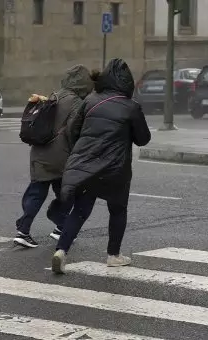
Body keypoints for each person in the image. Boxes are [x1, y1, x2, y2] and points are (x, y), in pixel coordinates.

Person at [52, 58, 151, 274]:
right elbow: (143, 139)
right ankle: (113, 255)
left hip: (87, 165)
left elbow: (72, 130)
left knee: (79, 210)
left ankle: (61, 250)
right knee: (117, 209)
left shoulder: (90, 100)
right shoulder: (131, 107)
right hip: (116, 169)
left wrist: (81, 151)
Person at [14, 65, 96, 248]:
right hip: (59, 156)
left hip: (39, 151)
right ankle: (59, 227)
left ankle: (25, 229)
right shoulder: (76, 102)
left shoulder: (54, 95)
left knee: (37, 192)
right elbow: (75, 130)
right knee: (67, 192)